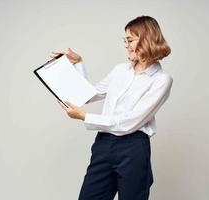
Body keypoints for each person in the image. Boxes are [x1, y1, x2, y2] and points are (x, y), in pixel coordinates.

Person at [50, 15, 173, 200]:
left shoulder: (161, 80)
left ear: (146, 39)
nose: (126, 45)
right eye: (125, 40)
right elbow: (88, 95)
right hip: (104, 144)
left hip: (133, 147)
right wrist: (78, 63)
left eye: (130, 40)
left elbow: (128, 124)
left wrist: (85, 117)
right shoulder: (120, 70)